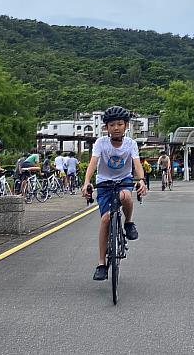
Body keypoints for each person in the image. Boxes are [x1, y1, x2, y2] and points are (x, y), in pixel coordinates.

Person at [82, 106, 147, 281]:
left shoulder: (131, 144)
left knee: (125, 196)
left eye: (120, 124)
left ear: (126, 125)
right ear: (106, 127)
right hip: (104, 183)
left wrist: (141, 179)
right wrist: (87, 182)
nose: (116, 127)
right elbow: (93, 163)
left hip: (124, 181)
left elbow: (137, 164)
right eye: (112, 124)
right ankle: (101, 263)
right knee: (105, 219)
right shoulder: (100, 143)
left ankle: (129, 222)